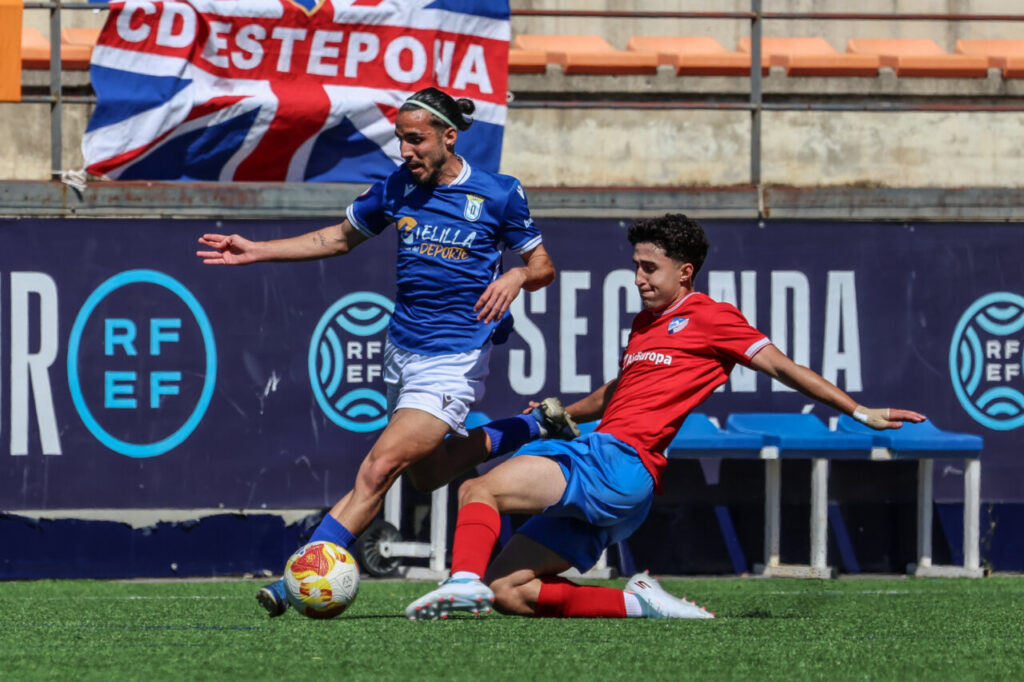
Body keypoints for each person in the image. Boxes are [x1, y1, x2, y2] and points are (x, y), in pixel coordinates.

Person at [405, 213, 926, 621]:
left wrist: (859, 410)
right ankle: (637, 604)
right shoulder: (646, 324)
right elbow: (619, 392)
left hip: (617, 462)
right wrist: (561, 410)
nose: (638, 278)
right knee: (510, 591)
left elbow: (783, 367)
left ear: (685, 272)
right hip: (622, 482)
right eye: (635, 265)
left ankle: (459, 583)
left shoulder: (713, 317)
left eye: (649, 268)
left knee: (480, 490)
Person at [196, 87, 560, 617]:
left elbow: (544, 266)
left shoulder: (499, 194)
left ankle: (299, 575)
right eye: (400, 139)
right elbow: (339, 239)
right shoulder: (397, 187)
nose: (406, 150)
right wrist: (258, 250)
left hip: (455, 356)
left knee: (379, 467)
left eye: (416, 140)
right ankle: (535, 426)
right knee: (427, 474)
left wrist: (518, 273)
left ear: (448, 136)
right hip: (402, 349)